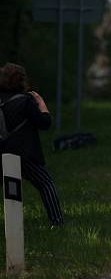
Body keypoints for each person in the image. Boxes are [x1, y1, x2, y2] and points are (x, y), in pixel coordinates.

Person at [0, 63, 64, 226]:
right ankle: (57, 222)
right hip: (23, 155)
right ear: (22, 80)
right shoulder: (26, 101)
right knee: (45, 184)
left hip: (3, 152)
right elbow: (44, 123)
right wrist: (41, 103)